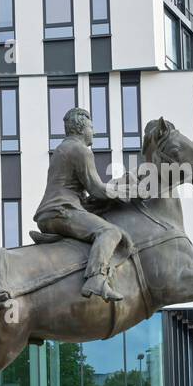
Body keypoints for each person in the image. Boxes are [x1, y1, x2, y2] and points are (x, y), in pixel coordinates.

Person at [34, 107, 129, 303]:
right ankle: (97, 278)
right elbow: (96, 189)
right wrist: (126, 193)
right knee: (110, 233)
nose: (93, 132)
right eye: (91, 127)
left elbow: (77, 190)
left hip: (49, 213)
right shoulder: (80, 150)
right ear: (80, 128)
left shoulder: (61, 149)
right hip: (62, 210)